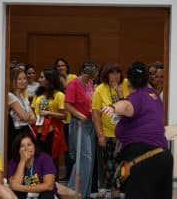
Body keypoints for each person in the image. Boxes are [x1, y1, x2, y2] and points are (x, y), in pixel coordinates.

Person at [101, 62, 173, 199]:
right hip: (163, 157)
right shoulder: (154, 96)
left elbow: (127, 106)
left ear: (129, 83)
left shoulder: (136, 97)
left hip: (144, 160)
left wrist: (112, 107)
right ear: (147, 80)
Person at [92, 63, 129, 198]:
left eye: (117, 72)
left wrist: (119, 92)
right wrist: (100, 135)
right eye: (112, 73)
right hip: (108, 133)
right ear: (106, 75)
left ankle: (122, 186)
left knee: (124, 162)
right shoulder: (100, 90)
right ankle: (114, 188)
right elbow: (95, 114)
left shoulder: (126, 85)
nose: (115, 76)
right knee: (110, 164)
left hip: (126, 133)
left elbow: (129, 107)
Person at [65, 60, 97, 199]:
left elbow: (92, 100)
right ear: (83, 73)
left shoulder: (90, 84)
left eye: (92, 78)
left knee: (88, 160)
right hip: (79, 124)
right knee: (84, 158)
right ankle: (73, 193)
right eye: (88, 77)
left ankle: (84, 193)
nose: (89, 80)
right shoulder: (73, 84)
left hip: (91, 123)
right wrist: (80, 115)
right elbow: (67, 105)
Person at [31, 67, 67, 170]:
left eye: (42, 77)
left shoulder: (59, 95)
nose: (39, 79)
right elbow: (33, 110)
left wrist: (49, 113)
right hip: (37, 130)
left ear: (49, 79)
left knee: (51, 158)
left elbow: (64, 115)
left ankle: (52, 182)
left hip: (52, 131)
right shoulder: (38, 94)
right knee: (37, 157)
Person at [8, 132, 59, 199]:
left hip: (42, 194)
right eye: (22, 146)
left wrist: (22, 188)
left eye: (29, 145)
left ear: (34, 146)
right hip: (24, 195)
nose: (26, 148)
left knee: (47, 195)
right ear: (18, 149)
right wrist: (22, 161)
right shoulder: (13, 162)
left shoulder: (45, 158)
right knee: (14, 194)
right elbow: (14, 185)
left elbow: (49, 186)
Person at [53, 58, 77, 180]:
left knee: (70, 148)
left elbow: (73, 93)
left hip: (72, 118)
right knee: (61, 149)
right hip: (59, 119)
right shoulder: (54, 79)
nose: (60, 67)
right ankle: (62, 174)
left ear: (67, 67)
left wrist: (63, 83)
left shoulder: (73, 77)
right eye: (58, 66)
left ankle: (70, 175)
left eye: (62, 65)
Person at [8, 67, 36, 160]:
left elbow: (33, 118)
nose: (23, 81)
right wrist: (26, 116)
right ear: (13, 81)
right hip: (17, 133)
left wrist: (26, 116)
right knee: (19, 159)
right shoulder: (10, 96)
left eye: (24, 78)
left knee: (28, 158)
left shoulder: (22, 95)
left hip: (26, 130)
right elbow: (25, 116)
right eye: (19, 79)